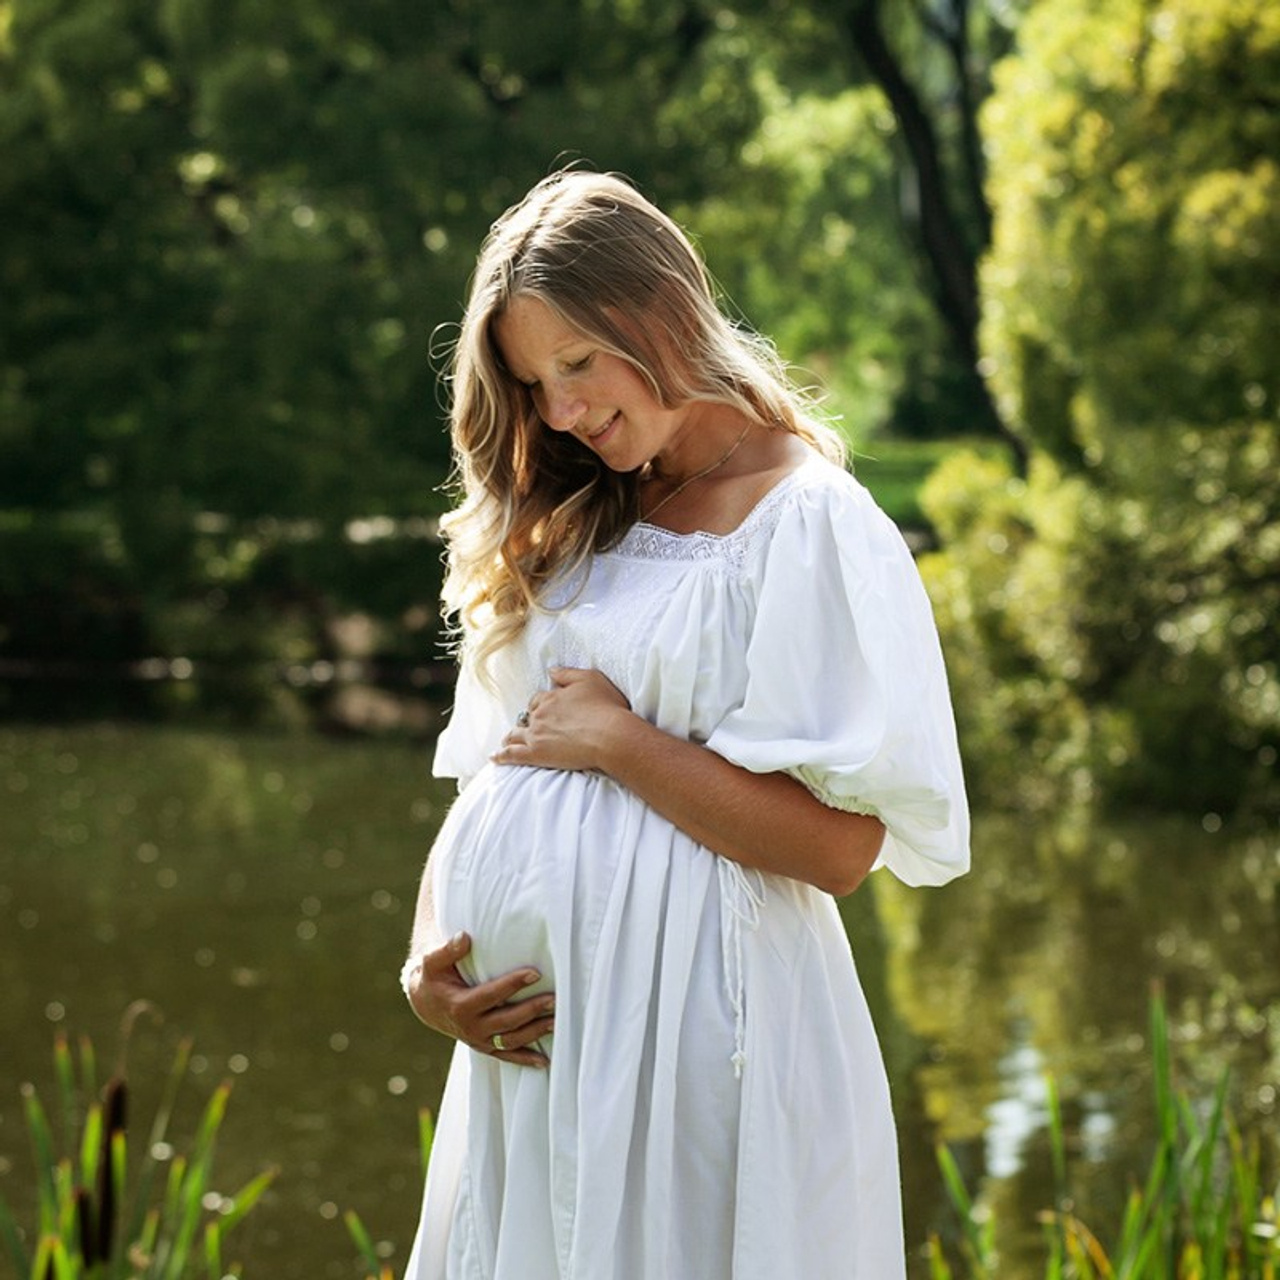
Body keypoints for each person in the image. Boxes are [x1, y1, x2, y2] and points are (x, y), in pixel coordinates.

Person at [399, 169, 969, 1279]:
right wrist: (427, 962)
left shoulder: (807, 521)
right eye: (533, 381)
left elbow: (839, 846)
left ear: (660, 310)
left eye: (577, 363)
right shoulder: (571, 510)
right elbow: (488, 769)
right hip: (536, 1059)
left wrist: (625, 743)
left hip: (701, 1046)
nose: (561, 409)